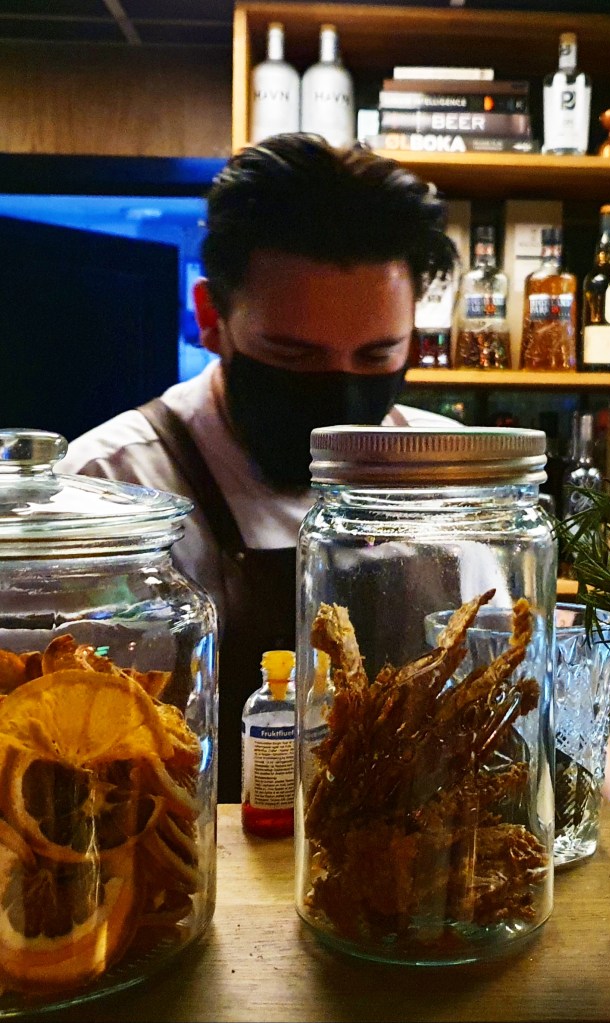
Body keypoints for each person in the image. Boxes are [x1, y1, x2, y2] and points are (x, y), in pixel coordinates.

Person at [61, 134, 458, 799]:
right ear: (211, 318)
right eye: (293, 356)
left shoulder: (455, 479)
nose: (339, 399)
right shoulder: (108, 487)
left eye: (375, 356)